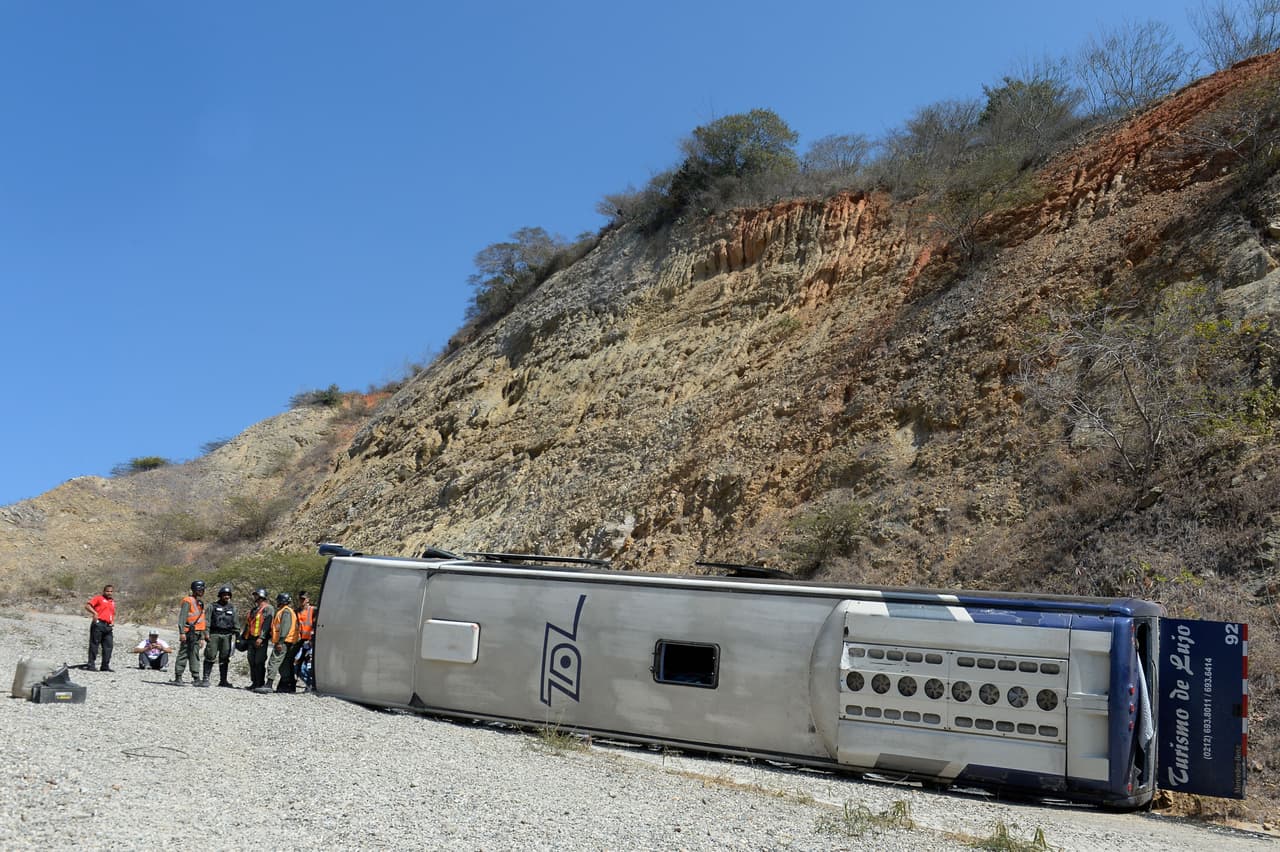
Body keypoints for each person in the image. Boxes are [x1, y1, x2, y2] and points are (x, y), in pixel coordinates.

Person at [174, 580, 208, 686]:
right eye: (200, 589)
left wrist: (202, 637)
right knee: (183, 654)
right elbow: (182, 618)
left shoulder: (200, 603)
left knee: (195, 655)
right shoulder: (188, 601)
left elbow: (201, 621)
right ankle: (178, 677)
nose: (202, 591)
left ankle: (196, 678)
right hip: (188, 632)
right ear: (195, 590)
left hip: (197, 634)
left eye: (203, 589)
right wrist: (182, 632)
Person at [203, 585, 238, 687]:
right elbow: (207, 620)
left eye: (228, 595)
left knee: (225, 657)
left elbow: (236, 623)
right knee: (210, 655)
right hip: (214, 634)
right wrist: (206, 633)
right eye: (224, 595)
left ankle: (223, 680)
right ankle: (205, 678)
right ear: (220, 595)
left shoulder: (233, 608)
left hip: (227, 635)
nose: (226, 597)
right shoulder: (212, 606)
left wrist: (238, 636)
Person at [266, 592, 299, 694]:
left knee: (274, 662)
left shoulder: (285, 612)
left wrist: (280, 642)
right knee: (284, 665)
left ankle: (269, 685)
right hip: (288, 642)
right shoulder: (287, 611)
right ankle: (286, 686)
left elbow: (284, 628)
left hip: (283, 642)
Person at [242, 588, 274, 691]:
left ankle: (260, 683)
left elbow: (267, 624)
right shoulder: (254, 609)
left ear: (261, 596)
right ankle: (254, 682)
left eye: (256, 595)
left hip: (260, 640)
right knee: (251, 661)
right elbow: (249, 624)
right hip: (251, 639)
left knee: (259, 662)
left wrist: (261, 637)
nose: (254, 597)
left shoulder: (268, 608)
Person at [83, 584, 117, 672]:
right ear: (104, 591)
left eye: (111, 591)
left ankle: (105, 666)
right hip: (99, 624)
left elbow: (112, 613)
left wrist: (112, 621)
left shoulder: (112, 601)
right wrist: (94, 613)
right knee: (94, 644)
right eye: (107, 591)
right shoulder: (99, 598)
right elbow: (87, 606)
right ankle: (91, 665)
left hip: (108, 626)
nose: (109, 593)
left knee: (108, 646)